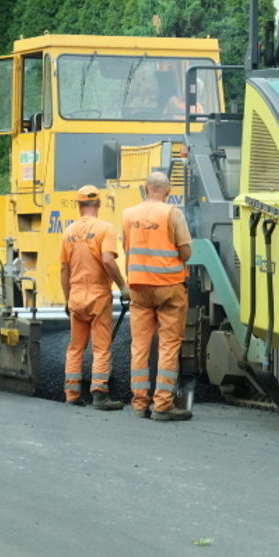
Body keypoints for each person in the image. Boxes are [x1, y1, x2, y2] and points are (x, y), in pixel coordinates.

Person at [122, 171, 193, 421]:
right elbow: (186, 253)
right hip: (168, 287)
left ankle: (139, 402)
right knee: (168, 344)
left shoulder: (128, 215)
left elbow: (127, 248)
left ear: (145, 188)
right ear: (168, 191)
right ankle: (163, 403)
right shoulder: (172, 213)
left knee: (139, 346)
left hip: (139, 287)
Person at [60, 184, 130, 410]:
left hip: (76, 294)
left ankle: (72, 393)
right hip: (98, 294)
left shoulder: (68, 232)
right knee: (101, 347)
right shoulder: (105, 229)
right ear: (98, 204)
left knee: (75, 347)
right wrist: (122, 285)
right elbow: (108, 260)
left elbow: (64, 269)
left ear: (79, 206)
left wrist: (67, 299)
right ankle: (99, 392)